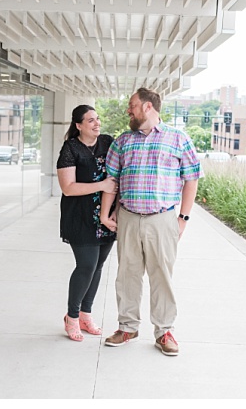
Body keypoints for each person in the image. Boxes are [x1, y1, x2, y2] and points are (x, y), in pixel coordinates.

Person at [99, 88, 201, 356]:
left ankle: (164, 331)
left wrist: (183, 217)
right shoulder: (122, 142)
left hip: (162, 219)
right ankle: (127, 327)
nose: (128, 110)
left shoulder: (178, 139)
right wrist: (105, 213)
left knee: (161, 276)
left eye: (132, 105)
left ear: (147, 107)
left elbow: (192, 178)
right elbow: (112, 181)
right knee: (127, 275)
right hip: (129, 218)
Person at [57, 105, 118, 342]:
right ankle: (71, 317)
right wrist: (101, 186)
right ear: (78, 125)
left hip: (106, 216)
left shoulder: (107, 142)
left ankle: (85, 314)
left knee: (98, 266)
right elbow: (68, 188)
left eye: (98, 118)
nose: (96, 123)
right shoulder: (70, 148)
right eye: (90, 120)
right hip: (80, 217)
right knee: (86, 266)